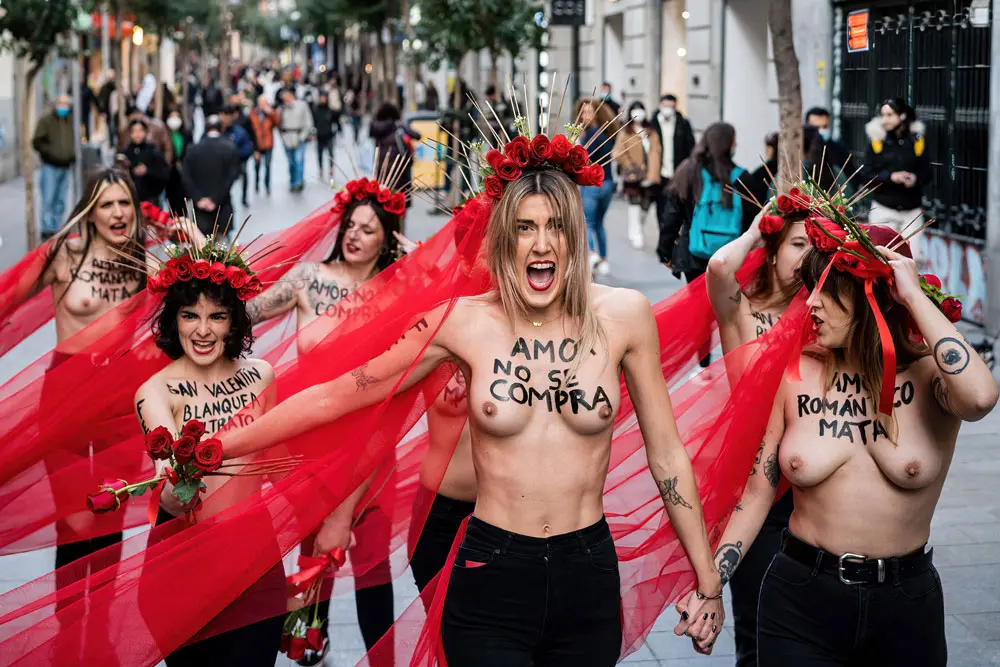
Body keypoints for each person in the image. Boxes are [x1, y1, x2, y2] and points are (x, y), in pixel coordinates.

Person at [221, 139, 729, 664]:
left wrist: (709, 580)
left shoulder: (625, 314)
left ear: (576, 236)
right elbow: (341, 394)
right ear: (503, 238)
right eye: (524, 228)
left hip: (587, 575)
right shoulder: (460, 321)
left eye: (555, 226)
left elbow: (667, 454)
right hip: (492, 574)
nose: (540, 245)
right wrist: (224, 444)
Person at [712, 221, 998, 666]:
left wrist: (913, 295)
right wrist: (711, 585)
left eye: (826, 291)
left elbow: (981, 397)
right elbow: (756, 493)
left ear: (871, 299)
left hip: (906, 605)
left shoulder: (930, 381)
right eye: (810, 289)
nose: (810, 304)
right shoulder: (795, 373)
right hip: (800, 598)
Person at [246, 173, 404, 666]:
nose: (356, 235)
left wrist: (426, 256)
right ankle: (308, 649)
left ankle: (384, 660)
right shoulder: (307, 279)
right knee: (314, 559)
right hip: (310, 448)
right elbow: (239, 314)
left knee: (371, 568)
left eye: (369, 228)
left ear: (388, 237)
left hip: (372, 449)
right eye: (351, 225)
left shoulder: (398, 292)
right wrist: (201, 271)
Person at [134, 238, 283, 667]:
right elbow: (167, 483)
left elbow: (279, 464)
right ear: (173, 320)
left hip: (256, 565)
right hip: (181, 572)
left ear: (233, 322)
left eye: (216, 316)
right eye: (189, 316)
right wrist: (175, 484)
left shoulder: (262, 376)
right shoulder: (154, 392)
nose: (202, 330)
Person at [705, 191, 812, 666]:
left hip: (812, 481)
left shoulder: (827, 317)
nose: (806, 258)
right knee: (756, 626)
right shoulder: (743, 312)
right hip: (755, 487)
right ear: (773, 250)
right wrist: (754, 230)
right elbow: (718, 269)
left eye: (816, 248)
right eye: (797, 244)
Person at [657, 122, 757, 372]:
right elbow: (753, 221)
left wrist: (666, 251)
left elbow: (672, 215)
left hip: (694, 254)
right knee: (729, 310)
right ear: (729, 144)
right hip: (730, 258)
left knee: (699, 310)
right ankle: (733, 362)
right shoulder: (743, 177)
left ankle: (703, 365)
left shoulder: (689, 172)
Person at [864, 98, 932, 259]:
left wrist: (915, 178)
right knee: (880, 259)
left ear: (902, 116)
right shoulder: (877, 139)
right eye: (883, 115)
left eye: (889, 115)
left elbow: (928, 173)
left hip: (912, 211)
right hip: (883, 209)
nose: (884, 119)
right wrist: (890, 177)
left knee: (911, 260)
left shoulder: (917, 140)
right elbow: (866, 174)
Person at [575, 98, 617, 277]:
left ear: (596, 113)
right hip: (608, 183)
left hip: (593, 184)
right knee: (599, 223)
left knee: (587, 222)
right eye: (582, 112)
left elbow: (583, 159)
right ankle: (604, 260)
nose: (585, 115)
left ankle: (592, 256)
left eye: (588, 111)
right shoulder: (607, 133)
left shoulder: (592, 134)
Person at [183, 115, 242, 235]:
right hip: (222, 207)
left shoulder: (192, 150)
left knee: (200, 248)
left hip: (199, 210)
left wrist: (198, 199)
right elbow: (231, 178)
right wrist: (215, 199)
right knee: (222, 248)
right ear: (221, 129)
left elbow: (186, 177)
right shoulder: (230, 148)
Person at [615, 101, 662, 249]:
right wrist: (629, 166)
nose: (638, 113)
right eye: (635, 110)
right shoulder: (625, 132)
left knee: (645, 206)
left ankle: (639, 228)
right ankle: (635, 233)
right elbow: (618, 152)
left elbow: (656, 152)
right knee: (634, 205)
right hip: (633, 176)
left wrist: (653, 174)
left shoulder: (651, 132)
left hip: (650, 175)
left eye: (641, 109)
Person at [32, 95, 76, 240]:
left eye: (65, 104)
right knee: (48, 198)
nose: (63, 106)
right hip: (50, 165)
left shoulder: (70, 120)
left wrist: (71, 155)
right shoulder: (46, 120)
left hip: (65, 165)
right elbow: (37, 141)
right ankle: (47, 228)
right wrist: (49, 154)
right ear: (56, 104)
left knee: (61, 200)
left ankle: (57, 227)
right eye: (60, 103)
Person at [653, 94, 696, 239]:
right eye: (665, 106)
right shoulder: (653, 124)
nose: (668, 110)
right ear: (660, 105)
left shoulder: (683, 124)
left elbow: (691, 147)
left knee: (678, 204)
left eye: (671, 107)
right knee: (661, 205)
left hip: (678, 173)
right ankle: (664, 235)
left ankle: (675, 235)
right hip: (660, 173)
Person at [370, 103, 421, 220]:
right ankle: (398, 234)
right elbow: (417, 135)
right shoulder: (398, 126)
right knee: (400, 206)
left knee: (383, 204)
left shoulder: (376, 128)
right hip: (400, 173)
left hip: (381, 173)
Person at [122, 118, 170, 205]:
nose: (137, 134)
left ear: (146, 132)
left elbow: (164, 173)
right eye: (134, 131)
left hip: (151, 197)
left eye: (140, 131)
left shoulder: (153, 151)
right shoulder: (125, 152)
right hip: (131, 197)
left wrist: (147, 171)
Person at [804, 106, 856, 178]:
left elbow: (851, 177)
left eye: (824, 126)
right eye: (816, 127)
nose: (821, 130)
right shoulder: (801, 150)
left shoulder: (839, 151)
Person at [278, 89, 313, 193]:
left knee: (299, 160)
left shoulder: (302, 105)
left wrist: (302, 136)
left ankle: (299, 182)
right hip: (287, 138)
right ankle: (292, 181)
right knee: (291, 162)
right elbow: (279, 124)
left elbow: (308, 122)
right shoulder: (281, 108)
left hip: (299, 136)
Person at [222, 104, 257, 208]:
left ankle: (244, 198)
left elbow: (248, 144)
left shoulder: (240, 131)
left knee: (245, 176)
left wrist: (236, 153)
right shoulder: (217, 130)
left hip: (238, 161)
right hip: (222, 163)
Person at [249, 95, 280, 197]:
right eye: (261, 103)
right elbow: (250, 129)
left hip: (268, 143)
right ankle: (257, 183)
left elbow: (278, 124)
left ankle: (267, 186)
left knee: (267, 166)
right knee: (257, 166)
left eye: (264, 103)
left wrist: (272, 113)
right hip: (257, 144)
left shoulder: (270, 114)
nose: (263, 105)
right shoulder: (253, 113)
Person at [165, 109, 195, 215]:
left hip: (184, 172)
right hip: (171, 174)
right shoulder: (165, 135)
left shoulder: (186, 134)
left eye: (176, 117)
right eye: (171, 117)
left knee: (183, 202)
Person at [311, 91, 339, 183]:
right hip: (319, 135)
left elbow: (336, 120)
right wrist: (313, 133)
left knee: (331, 152)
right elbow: (313, 122)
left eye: (324, 97)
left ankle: (331, 168)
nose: (323, 99)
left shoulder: (330, 110)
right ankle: (320, 168)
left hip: (329, 134)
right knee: (319, 153)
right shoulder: (316, 110)